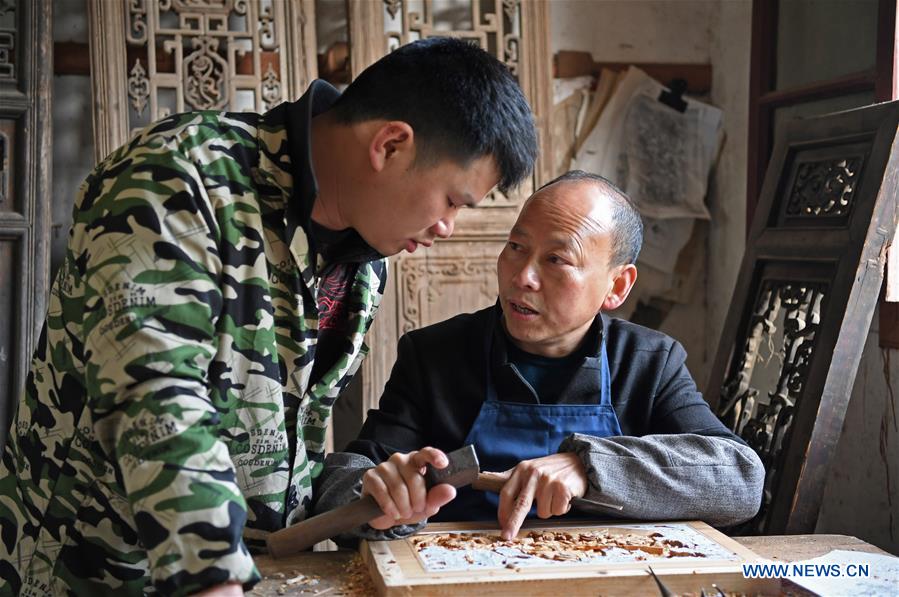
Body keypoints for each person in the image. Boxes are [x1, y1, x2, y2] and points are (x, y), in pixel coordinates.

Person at [0, 38, 538, 596]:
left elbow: (284, 448)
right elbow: (157, 400)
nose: (447, 226)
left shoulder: (363, 258)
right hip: (95, 574)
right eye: (453, 199)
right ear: (391, 144)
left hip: (263, 576)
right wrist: (215, 575)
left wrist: (366, 499)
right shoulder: (177, 180)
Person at [313, 171, 764, 542]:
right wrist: (381, 498)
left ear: (617, 286)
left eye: (556, 260)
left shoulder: (649, 362)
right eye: (515, 247)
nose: (522, 276)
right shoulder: (435, 355)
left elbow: (741, 479)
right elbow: (341, 483)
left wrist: (588, 467)